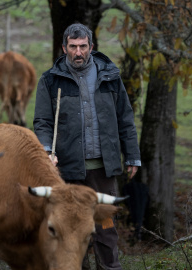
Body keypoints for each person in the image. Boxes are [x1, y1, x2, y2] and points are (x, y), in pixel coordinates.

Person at [33, 23, 141, 270]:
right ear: (64, 48)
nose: (78, 52)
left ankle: (109, 268)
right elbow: (42, 122)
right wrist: (47, 151)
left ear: (91, 47)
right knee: (71, 231)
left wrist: (132, 156)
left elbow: (125, 118)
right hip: (68, 170)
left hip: (104, 169)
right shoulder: (50, 81)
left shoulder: (110, 76)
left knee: (105, 228)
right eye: (73, 47)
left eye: (83, 46)